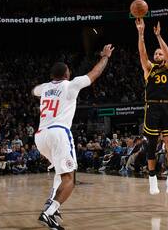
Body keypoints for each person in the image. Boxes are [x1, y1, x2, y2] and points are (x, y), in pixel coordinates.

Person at [33, 44, 114, 230]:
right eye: (69, 70)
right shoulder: (71, 84)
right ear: (66, 74)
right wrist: (105, 57)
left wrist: (46, 90)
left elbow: (34, 91)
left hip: (40, 136)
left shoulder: (44, 88)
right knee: (70, 178)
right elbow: (95, 73)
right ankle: (49, 211)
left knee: (60, 174)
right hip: (58, 132)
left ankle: (50, 206)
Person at [135, 18, 168, 195]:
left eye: (160, 54)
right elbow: (142, 53)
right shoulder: (149, 69)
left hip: (167, 107)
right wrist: (141, 33)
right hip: (152, 108)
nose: (159, 55)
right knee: (151, 144)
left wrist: (158, 36)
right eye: (157, 54)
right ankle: (152, 178)